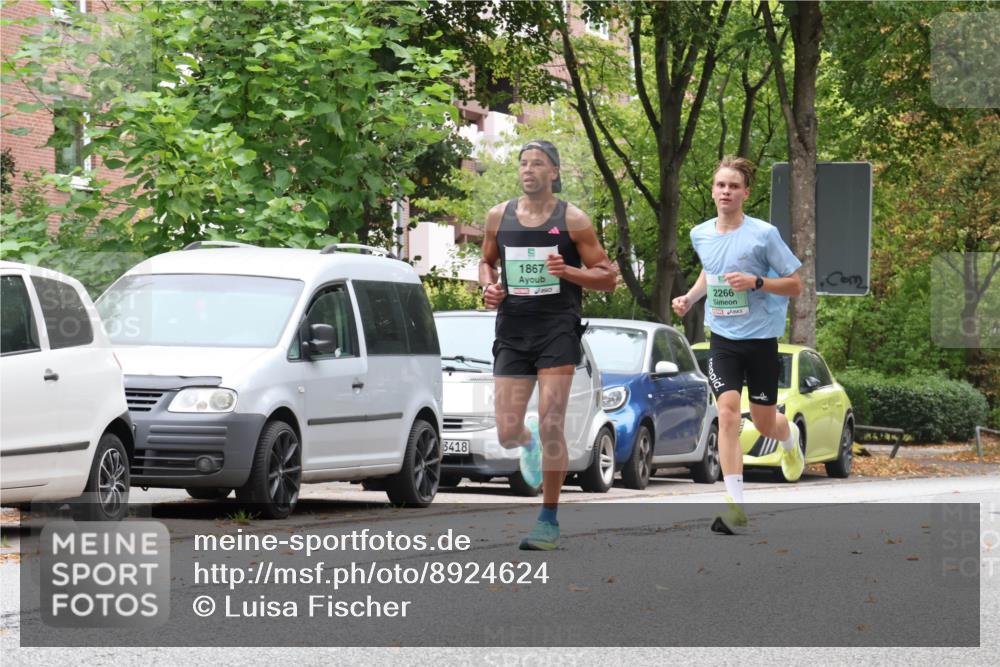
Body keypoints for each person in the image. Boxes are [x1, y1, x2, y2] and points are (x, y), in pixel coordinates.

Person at [479, 140, 617, 550]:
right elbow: (487, 260)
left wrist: (569, 271)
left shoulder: (572, 219)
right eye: (523, 163)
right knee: (506, 431)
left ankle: (547, 520)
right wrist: (488, 286)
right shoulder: (498, 216)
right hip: (513, 329)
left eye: (538, 163)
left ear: (554, 172)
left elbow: (607, 275)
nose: (529, 169)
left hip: (557, 327)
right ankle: (528, 440)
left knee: (553, 418)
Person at [672, 156, 803, 535]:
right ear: (713, 191)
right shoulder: (700, 234)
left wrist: (757, 282)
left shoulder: (764, 234)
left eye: (733, 186)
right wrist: (690, 298)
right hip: (723, 339)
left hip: (761, 340)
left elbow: (794, 284)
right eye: (720, 185)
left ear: (745, 193)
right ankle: (735, 506)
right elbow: (709, 272)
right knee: (728, 413)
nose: (726, 191)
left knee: (764, 422)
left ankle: (790, 438)